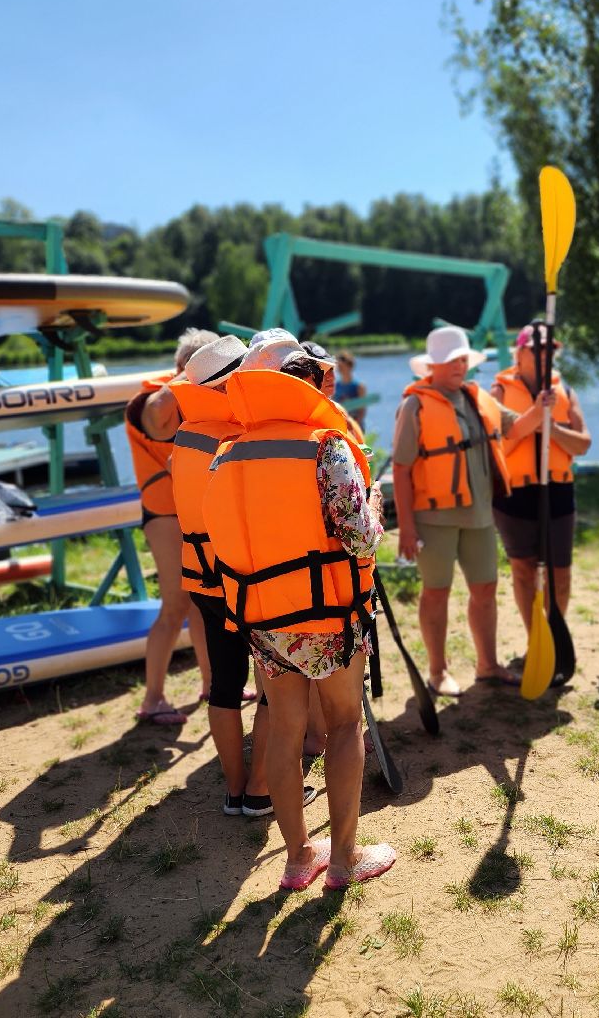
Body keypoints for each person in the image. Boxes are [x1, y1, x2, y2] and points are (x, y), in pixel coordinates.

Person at [202, 331, 394, 891]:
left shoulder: (227, 453)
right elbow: (360, 538)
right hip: (330, 615)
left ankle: (296, 857)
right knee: (342, 724)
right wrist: (375, 505)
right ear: (305, 385)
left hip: (264, 618)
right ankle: (343, 859)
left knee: (284, 730)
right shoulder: (326, 446)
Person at [169, 336, 299, 817]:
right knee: (273, 680)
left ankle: (234, 789)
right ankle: (262, 789)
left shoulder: (186, 434)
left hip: (199, 579)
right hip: (239, 580)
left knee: (224, 683)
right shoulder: (233, 438)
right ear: (227, 386)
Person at [392, 325, 523, 696]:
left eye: (464, 359)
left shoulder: (476, 397)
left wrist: (543, 407)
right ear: (432, 366)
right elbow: (401, 470)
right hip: (433, 519)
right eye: (452, 360)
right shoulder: (414, 405)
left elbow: (516, 428)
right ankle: (437, 671)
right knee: (437, 591)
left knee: (485, 588)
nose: (460, 366)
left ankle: (488, 665)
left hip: (479, 515)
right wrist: (405, 528)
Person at [126, 327, 217, 723]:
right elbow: (158, 417)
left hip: (190, 510)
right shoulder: (152, 399)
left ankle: (213, 684)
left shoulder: (193, 401)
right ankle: (153, 699)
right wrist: (194, 371)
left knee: (202, 599)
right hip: (163, 514)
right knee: (175, 604)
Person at [491, 323, 591, 630]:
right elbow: (497, 445)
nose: (547, 354)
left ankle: (555, 633)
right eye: (539, 348)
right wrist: (534, 416)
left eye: (551, 349)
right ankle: (535, 638)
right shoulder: (499, 391)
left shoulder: (566, 391)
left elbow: (583, 443)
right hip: (514, 494)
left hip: (558, 489)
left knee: (560, 572)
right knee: (523, 570)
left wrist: (552, 427)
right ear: (520, 353)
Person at [334, 349, 367, 430]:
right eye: (338, 366)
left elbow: (362, 411)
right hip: (340, 426)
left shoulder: (359, 386)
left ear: (349, 366)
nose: (339, 368)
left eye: (341, 366)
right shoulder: (335, 386)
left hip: (355, 427)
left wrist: (355, 427)